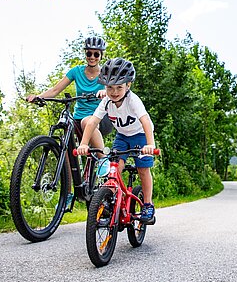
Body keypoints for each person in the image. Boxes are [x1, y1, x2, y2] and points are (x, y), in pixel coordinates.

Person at [27, 36, 110, 208]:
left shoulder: (105, 74)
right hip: (79, 116)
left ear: (101, 55)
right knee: (65, 147)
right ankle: (68, 193)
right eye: (89, 53)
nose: (92, 57)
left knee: (88, 121)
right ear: (85, 54)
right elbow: (56, 89)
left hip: (99, 119)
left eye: (96, 54)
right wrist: (39, 97)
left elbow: (115, 90)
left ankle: (102, 158)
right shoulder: (76, 72)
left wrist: (105, 92)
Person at [75, 57, 157, 224]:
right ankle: (111, 204)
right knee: (114, 169)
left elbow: (145, 121)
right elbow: (92, 122)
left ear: (128, 85)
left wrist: (150, 144)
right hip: (122, 137)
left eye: (119, 87)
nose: (114, 92)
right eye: (110, 87)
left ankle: (148, 204)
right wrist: (83, 143)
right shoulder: (106, 102)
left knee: (143, 169)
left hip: (140, 136)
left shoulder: (132, 100)